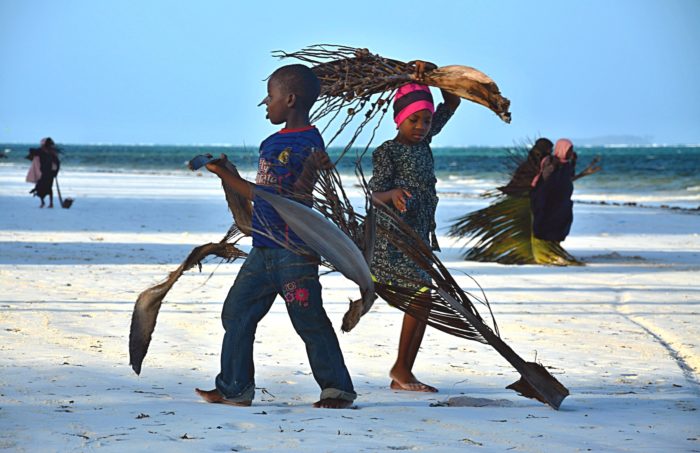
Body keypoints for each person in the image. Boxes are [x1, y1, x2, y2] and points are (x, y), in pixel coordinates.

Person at [195, 64, 357, 409]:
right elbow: (291, 189)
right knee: (237, 312)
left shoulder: (301, 143)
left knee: (308, 319)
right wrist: (229, 173)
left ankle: (337, 389)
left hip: (294, 252)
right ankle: (234, 388)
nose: (265, 103)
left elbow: (271, 195)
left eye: (270, 96)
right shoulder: (276, 142)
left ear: (290, 99)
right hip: (264, 249)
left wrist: (223, 173)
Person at [368, 68, 461, 392]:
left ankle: (403, 370)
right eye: (414, 120)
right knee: (421, 300)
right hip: (393, 242)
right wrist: (392, 196)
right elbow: (373, 196)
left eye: (427, 120)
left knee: (422, 301)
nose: (422, 127)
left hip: (418, 237)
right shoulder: (388, 151)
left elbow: (453, 100)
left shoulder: (426, 142)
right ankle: (402, 370)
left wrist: (431, 74)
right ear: (399, 120)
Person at [530, 138, 577, 242]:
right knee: (547, 225)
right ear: (562, 150)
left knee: (561, 225)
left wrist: (573, 162)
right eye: (569, 150)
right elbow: (545, 181)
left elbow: (569, 177)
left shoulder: (566, 165)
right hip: (549, 201)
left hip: (562, 202)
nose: (571, 153)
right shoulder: (551, 162)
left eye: (571, 150)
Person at [28, 137, 60, 208]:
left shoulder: (50, 152)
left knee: (45, 188)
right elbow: (57, 163)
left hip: (48, 173)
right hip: (45, 173)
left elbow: (57, 163)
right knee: (43, 188)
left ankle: (48, 203)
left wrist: (55, 172)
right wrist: (56, 172)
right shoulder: (44, 151)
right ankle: (48, 203)